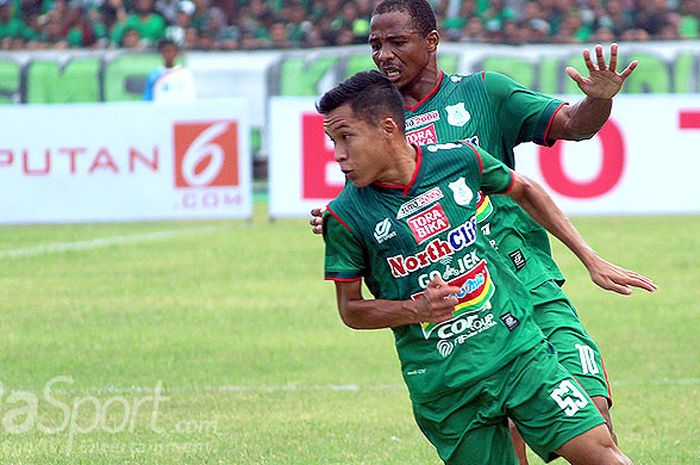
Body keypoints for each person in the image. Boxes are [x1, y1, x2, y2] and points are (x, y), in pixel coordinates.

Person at [310, 1, 657, 462]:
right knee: (507, 429)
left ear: (432, 42)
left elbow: (573, 126)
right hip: (464, 310)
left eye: (397, 42)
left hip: (529, 281)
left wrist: (599, 99)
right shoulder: (374, 123)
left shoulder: (484, 93)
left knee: (592, 422)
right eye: (375, 45)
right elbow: (377, 211)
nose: (384, 54)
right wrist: (331, 220)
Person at [142, 38, 197, 102]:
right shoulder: (154, 74)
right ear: (161, 53)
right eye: (166, 51)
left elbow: (190, 97)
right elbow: (147, 98)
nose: (169, 54)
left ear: (176, 53)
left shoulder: (185, 74)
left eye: (172, 51)